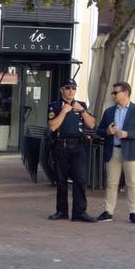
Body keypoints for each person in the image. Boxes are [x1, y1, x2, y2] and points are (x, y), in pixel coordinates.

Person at [95, 81, 135, 224]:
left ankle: (133, 212)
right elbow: (99, 131)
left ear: (125, 93)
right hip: (113, 150)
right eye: (113, 93)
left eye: (115, 92)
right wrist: (107, 131)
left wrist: (127, 134)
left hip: (131, 152)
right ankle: (108, 211)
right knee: (111, 183)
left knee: (131, 183)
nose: (113, 95)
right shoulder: (109, 111)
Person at [46, 78, 97, 222]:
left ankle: (79, 212)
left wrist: (82, 111)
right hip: (61, 144)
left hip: (78, 146)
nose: (71, 91)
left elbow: (92, 124)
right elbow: (52, 126)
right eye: (68, 88)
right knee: (61, 180)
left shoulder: (81, 105)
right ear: (62, 90)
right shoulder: (54, 106)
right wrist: (63, 111)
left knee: (80, 179)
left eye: (73, 88)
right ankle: (61, 211)